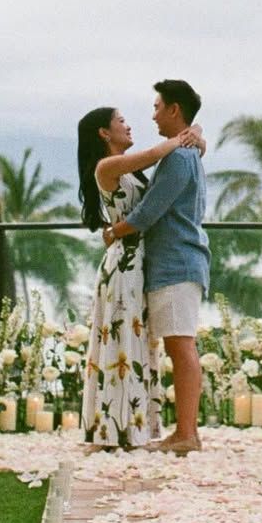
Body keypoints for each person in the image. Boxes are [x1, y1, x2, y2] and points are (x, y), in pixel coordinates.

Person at [77, 105, 203, 447]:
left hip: (139, 262)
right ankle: (114, 427)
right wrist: (186, 135)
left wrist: (195, 135)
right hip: (124, 265)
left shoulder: (127, 168)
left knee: (136, 342)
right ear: (104, 133)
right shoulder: (107, 166)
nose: (129, 126)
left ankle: (132, 425)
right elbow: (154, 154)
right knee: (121, 342)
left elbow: (171, 154)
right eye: (121, 121)